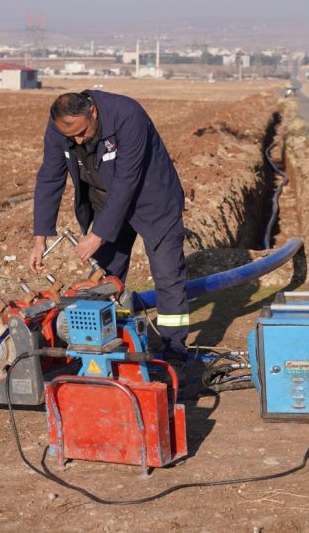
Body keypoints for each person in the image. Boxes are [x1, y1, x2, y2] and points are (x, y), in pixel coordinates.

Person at [29, 90, 200, 396]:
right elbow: (50, 177)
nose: (78, 141)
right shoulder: (61, 127)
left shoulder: (127, 114)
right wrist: (40, 237)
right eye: (71, 136)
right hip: (105, 204)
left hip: (152, 201)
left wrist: (97, 234)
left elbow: (127, 180)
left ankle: (175, 353)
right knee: (105, 280)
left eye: (82, 133)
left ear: (93, 112)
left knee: (167, 276)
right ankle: (111, 346)